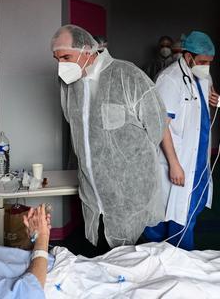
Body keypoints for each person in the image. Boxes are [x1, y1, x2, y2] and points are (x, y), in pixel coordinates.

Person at [51, 24, 167, 252]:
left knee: (134, 266)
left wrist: (127, 163)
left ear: (87, 50)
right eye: (57, 59)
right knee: (102, 263)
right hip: (94, 196)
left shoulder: (127, 76)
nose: (61, 66)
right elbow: (76, 127)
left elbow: (157, 126)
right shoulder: (68, 85)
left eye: (66, 57)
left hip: (131, 194)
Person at [143, 31, 220, 250]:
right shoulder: (169, 79)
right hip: (175, 160)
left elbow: (199, 113)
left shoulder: (204, 76)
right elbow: (161, 125)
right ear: (188, 57)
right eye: (203, 62)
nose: (206, 67)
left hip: (198, 159)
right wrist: (174, 164)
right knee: (165, 218)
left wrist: (213, 100)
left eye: (209, 63)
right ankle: (164, 260)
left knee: (187, 212)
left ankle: (178, 261)